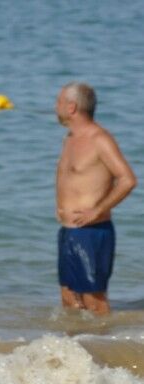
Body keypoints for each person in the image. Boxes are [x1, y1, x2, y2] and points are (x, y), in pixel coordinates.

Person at [55, 82, 136, 315]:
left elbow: (127, 179)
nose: (55, 107)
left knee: (94, 301)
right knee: (69, 298)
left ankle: (106, 338)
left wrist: (97, 210)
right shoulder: (70, 138)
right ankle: (77, 340)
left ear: (72, 107)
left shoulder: (100, 139)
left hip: (91, 232)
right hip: (68, 232)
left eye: (59, 102)